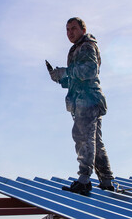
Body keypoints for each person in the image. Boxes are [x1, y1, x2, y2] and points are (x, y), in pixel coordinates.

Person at [47, 17, 114, 195]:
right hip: (86, 98)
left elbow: (90, 71)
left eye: (73, 29)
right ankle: (106, 181)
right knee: (95, 142)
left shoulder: (86, 46)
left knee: (82, 137)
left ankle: (84, 180)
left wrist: (65, 71)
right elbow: (78, 79)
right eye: (67, 30)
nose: (70, 33)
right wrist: (60, 78)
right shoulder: (77, 48)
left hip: (88, 99)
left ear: (83, 30)